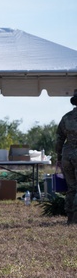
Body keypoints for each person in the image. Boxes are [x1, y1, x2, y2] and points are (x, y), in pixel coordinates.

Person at [54, 92, 77, 224]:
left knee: (71, 187)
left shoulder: (66, 118)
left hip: (67, 155)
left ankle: (70, 218)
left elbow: (59, 140)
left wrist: (59, 156)